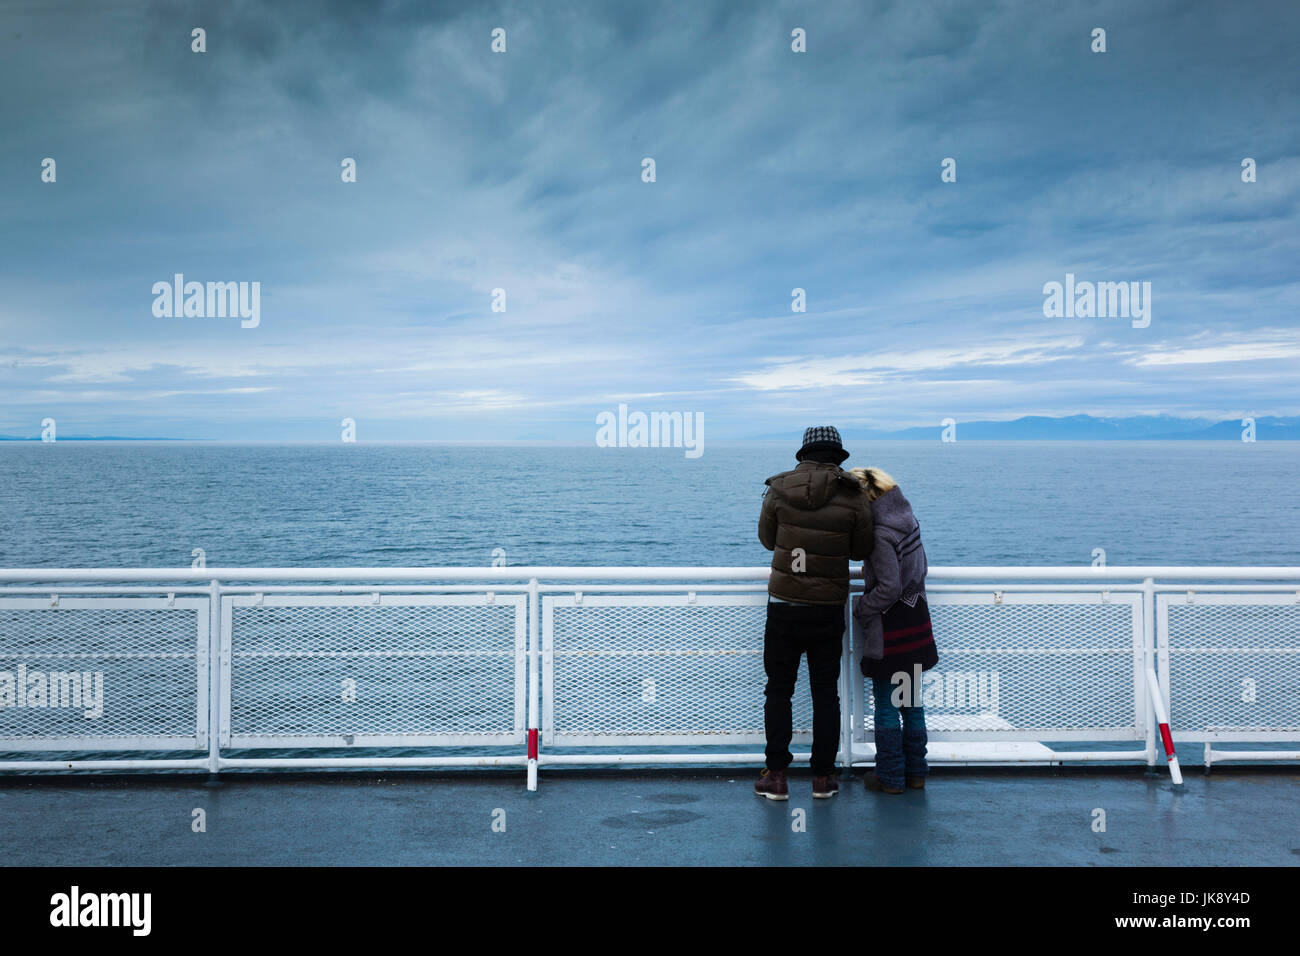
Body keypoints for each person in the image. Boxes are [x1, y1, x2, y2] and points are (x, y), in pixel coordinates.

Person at [754, 426, 873, 800]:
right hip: (827, 609)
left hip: (784, 607)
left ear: (802, 455)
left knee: (778, 691)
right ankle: (823, 778)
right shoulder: (853, 495)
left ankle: (776, 777)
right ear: (838, 458)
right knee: (825, 694)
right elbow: (861, 549)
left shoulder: (779, 489)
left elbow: (768, 540)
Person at [849, 466, 938, 795]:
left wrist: (862, 607)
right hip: (917, 623)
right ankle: (916, 772)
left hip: (891, 631)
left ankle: (890, 776)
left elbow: (888, 588)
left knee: (886, 704)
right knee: (912, 702)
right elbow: (922, 568)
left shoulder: (879, 533)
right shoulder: (909, 520)